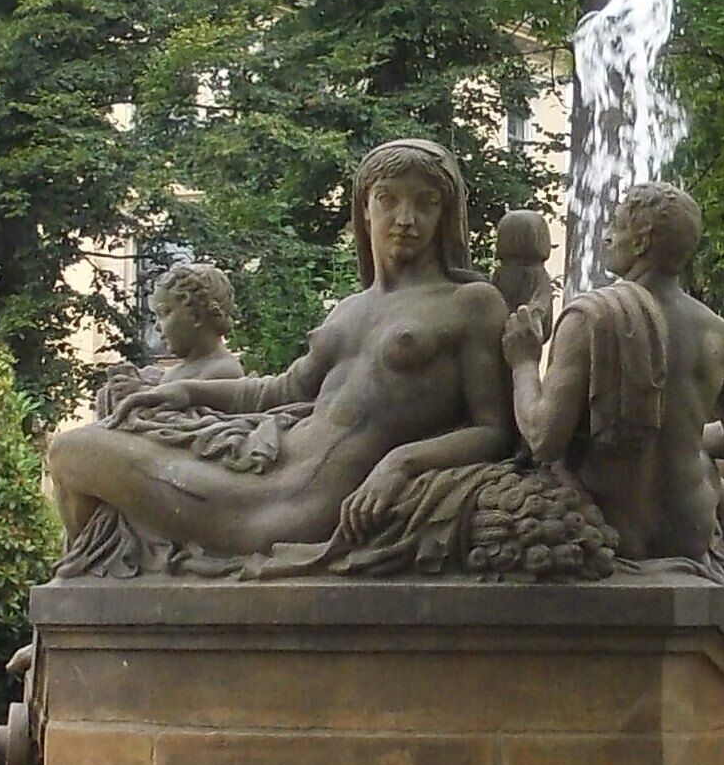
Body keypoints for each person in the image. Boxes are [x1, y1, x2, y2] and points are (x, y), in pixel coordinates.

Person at [47, 140, 515, 571]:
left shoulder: (471, 303)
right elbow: (281, 390)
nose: (406, 218)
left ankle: (72, 617)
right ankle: (74, 607)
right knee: (102, 435)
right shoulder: (352, 309)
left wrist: (401, 462)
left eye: (425, 202)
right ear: (365, 211)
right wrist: (182, 390)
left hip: (288, 507)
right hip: (257, 468)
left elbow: (494, 432)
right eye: (388, 199)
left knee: (73, 452)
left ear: (446, 215)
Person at [508, 182, 724, 634]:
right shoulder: (717, 333)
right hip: (687, 536)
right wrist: (684, 435)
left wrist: (524, 362)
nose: (607, 237)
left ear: (642, 241)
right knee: (714, 480)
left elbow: (541, 438)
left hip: (610, 532)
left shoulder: (587, 318)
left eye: (616, 226)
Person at [93, 261, 246, 419]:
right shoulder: (173, 373)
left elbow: (189, 424)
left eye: (165, 313)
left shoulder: (224, 370)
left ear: (195, 316)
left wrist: (141, 394)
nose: (158, 327)